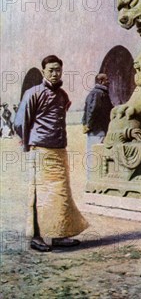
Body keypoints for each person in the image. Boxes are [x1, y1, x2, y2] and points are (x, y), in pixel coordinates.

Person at [14, 55, 89, 252]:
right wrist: (28, 144)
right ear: (43, 72)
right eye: (51, 70)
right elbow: (21, 122)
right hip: (42, 151)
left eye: (58, 70)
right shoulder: (33, 93)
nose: (55, 74)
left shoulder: (63, 95)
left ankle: (58, 235)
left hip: (59, 150)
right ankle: (36, 237)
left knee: (60, 194)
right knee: (40, 195)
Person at [82, 73, 113, 165]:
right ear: (101, 81)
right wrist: (89, 125)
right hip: (97, 131)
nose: (109, 82)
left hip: (97, 130)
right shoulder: (98, 94)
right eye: (106, 80)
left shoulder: (98, 93)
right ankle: (91, 178)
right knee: (95, 156)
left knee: (95, 155)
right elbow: (93, 109)